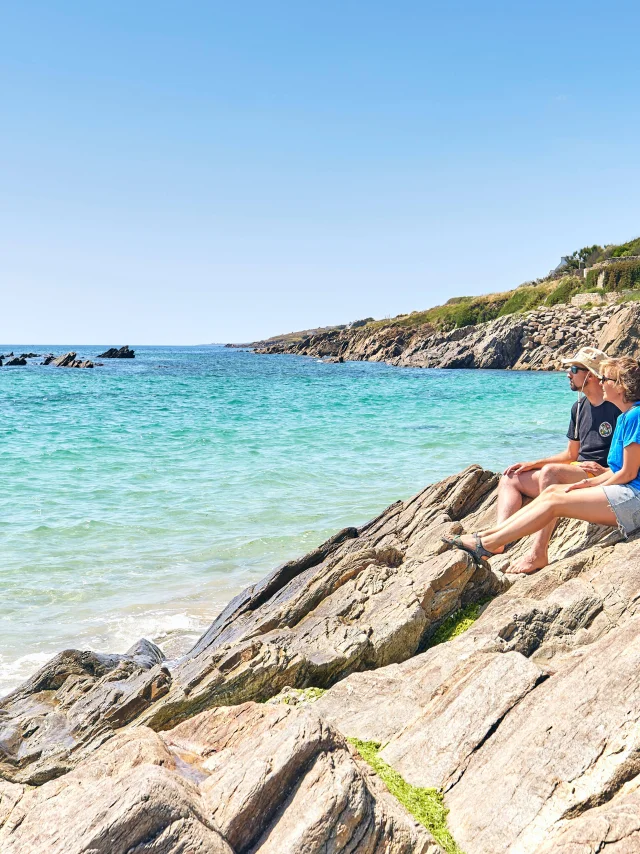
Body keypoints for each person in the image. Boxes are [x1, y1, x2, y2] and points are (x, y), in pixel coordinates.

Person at [444, 357, 640, 568]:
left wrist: (592, 482)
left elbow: (628, 474)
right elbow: (616, 468)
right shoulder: (624, 417)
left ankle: (492, 544)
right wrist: (587, 483)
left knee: (555, 501)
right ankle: (488, 536)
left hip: (632, 497)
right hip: (624, 490)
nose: (600, 383)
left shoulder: (635, 415)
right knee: (551, 492)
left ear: (620, 386)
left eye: (605, 379)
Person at [497, 346, 619, 574]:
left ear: (590, 375)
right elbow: (570, 455)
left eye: (573, 369)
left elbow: (628, 460)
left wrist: (604, 471)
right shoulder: (579, 407)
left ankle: (538, 553)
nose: (568, 374)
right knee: (511, 476)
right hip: (576, 470)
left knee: (551, 473)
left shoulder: (616, 407)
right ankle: (498, 539)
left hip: (597, 477)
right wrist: (534, 463)